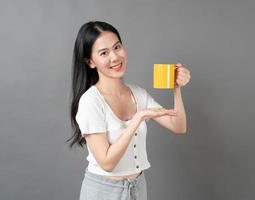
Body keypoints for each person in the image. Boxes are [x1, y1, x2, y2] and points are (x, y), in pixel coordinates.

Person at [67, 21, 191, 200]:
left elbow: (179, 127)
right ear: (90, 62)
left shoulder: (138, 94)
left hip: (138, 188)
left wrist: (176, 88)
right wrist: (137, 119)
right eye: (104, 53)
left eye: (117, 47)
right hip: (103, 191)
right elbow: (107, 162)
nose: (115, 57)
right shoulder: (90, 102)